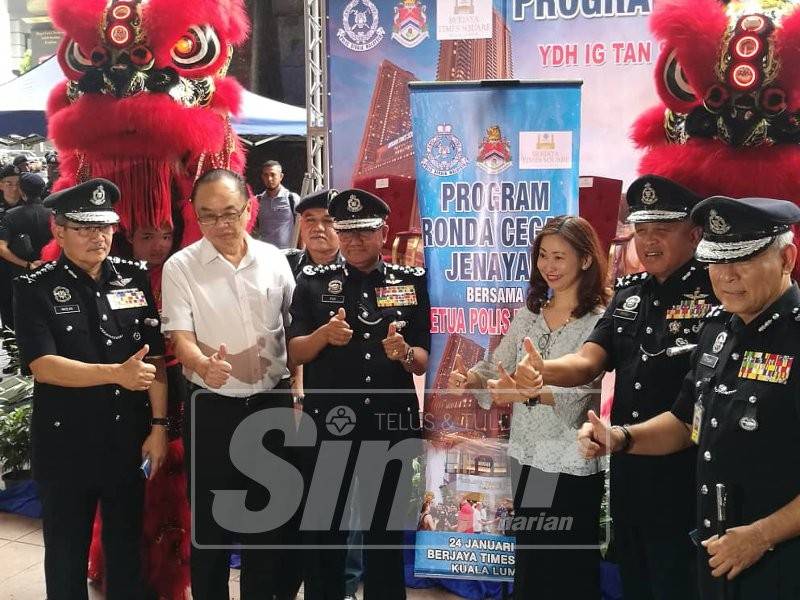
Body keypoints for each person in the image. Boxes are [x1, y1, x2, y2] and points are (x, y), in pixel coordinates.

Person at [579, 195, 800, 600]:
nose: (727, 276)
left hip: (779, 559)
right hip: (715, 550)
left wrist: (761, 536)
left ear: (787, 258)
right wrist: (623, 438)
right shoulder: (718, 330)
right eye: (717, 261)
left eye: (743, 260)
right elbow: (686, 422)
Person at [515, 176, 714, 599]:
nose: (649, 241)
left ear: (694, 233)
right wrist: (543, 367)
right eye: (641, 230)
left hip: (685, 473)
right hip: (627, 468)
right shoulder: (628, 296)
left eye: (661, 229)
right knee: (636, 580)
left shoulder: (716, 292)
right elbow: (588, 360)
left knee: (677, 581)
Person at [12, 178, 168, 600]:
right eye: (83, 228)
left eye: (104, 227)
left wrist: (157, 426)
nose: (97, 237)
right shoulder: (34, 287)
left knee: (125, 553)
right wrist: (115, 373)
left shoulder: (133, 280)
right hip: (67, 443)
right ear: (58, 231)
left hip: (126, 440)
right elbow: (43, 367)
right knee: (65, 554)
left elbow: (153, 359)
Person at [449, 215, 609, 598]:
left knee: (568, 560)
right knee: (533, 555)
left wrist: (534, 391)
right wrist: (470, 378)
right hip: (528, 454)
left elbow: (589, 393)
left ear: (586, 260)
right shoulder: (529, 314)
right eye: (543, 257)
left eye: (559, 257)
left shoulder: (599, 322)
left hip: (573, 458)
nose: (548, 267)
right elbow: (494, 364)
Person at [287, 188, 430, 600]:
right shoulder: (313, 283)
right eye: (346, 232)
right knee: (325, 529)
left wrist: (403, 353)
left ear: (383, 233)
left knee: (384, 532)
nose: (353, 241)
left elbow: (422, 358)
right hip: (330, 424)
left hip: (389, 424)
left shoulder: (411, 282)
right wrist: (323, 336)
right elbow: (295, 350)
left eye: (364, 232)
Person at [161, 168, 295, 600]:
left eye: (229, 213)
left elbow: (294, 330)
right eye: (208, 216)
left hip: (270, 406)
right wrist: (202, 362)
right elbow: (178, 335)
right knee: (211, 526)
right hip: (213, 407)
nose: (220, 224)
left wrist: (298, 390)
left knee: (267, 524)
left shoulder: (275, 259)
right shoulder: (180, 266)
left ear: (249, 209)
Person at [0, 173, 53, 275]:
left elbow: (2, 248)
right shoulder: (54, 213)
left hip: (21, 273)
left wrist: (28, 264)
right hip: (50, 269)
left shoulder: (11, 215)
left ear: (21, 191)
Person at [283, 188, 343, 277]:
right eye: (310, 220)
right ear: (301, 225)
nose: (318, 228)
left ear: (342, 227)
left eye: (328, 221)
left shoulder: (358, 267)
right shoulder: (284, 264)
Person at [255, 160, 300, 249]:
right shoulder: (257, 201)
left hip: (288, 255)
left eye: (273, 174)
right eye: (266, 175)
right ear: (262, 177)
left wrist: (301, 254)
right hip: (265, 254)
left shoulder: (292, 198)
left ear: (281, 176)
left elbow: (302, 228)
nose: (269, 179)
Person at [0, 164, 22, 332]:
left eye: (17, 183)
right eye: (9, 183)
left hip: (25, 265)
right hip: (3, 265)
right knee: (5, 300)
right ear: (1, 184)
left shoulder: (28, 203)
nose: (14, 188)